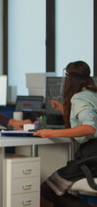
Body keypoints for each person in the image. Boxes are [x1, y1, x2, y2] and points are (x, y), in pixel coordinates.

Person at [34, 61, 97, 207]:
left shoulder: (79, 98)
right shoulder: (92, 93)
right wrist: (63, 109)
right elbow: (89, 117)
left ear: (69, 78)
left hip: (91, 157)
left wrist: (53, 132)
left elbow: (89, 128)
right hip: (94, 156)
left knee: (47, 189)